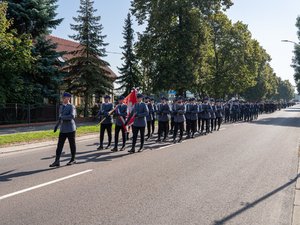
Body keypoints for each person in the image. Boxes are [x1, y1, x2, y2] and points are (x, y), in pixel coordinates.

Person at [50, 92, 77, 167]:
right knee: (59, 145)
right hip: (63, 129)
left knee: (72, 144)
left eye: (65, 98)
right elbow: (60, 117)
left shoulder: (71, 106)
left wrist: (63, 117)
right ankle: (57, 161)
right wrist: (56, 126)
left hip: (70, 129)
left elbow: (72, 116)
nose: (63, 99)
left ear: (68, 98)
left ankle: (73, 159)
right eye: (63, 98)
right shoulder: (61, 107)